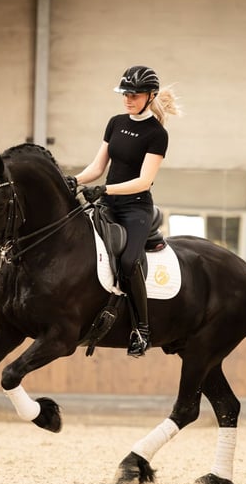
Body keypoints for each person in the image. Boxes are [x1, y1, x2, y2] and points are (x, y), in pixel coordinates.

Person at [69, 65, 180, 357]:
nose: (128, 99)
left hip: (135, 208)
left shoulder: (157, 134)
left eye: (135, 94)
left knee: (130, 262)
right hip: (107, 203)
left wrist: (106, 189)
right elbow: (97, 168)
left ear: (150, 95)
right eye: (125, 94)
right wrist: (71, 180)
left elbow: (144, 181)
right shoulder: (115, 122)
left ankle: (141, 330)